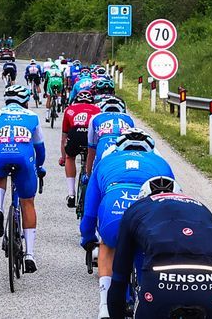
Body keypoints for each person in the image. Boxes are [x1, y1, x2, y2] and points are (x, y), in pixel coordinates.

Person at [82, 130, 176, 319]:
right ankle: (146, 299)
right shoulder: (161, 163)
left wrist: (87, 237)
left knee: (107, 246)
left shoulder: (105, 162)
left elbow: (90, 211)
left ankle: (104, 307)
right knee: (146, 252)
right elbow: (174, 201)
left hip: (114, 214)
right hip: (147, 219)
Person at [109, 177, 212, 319]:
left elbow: (119, 276)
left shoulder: (136, 209)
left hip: (161, 284)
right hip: (210, 281)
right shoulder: (203, 209)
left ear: (143, 196)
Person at [0, 84, 47, 273]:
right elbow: (40, 148)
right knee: (27, 202)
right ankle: (29, 254)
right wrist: (39, 168)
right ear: (25, 101)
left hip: (0, 155)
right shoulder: (32, 117)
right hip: (23, 158)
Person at [61, 86, 102, 208]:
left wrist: (63, 157)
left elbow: (64, 136)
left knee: (70, 158)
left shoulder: (69, 109)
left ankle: (71, 193)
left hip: (75, 133)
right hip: (89, 135)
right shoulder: (97, 109)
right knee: (93, 157)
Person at [85, 96, 135, 177]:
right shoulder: (129, 118)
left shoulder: (95, 117)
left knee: (95, 177)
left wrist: (88, 175)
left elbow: (91, 149)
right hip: (123, 151)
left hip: (103, 148)